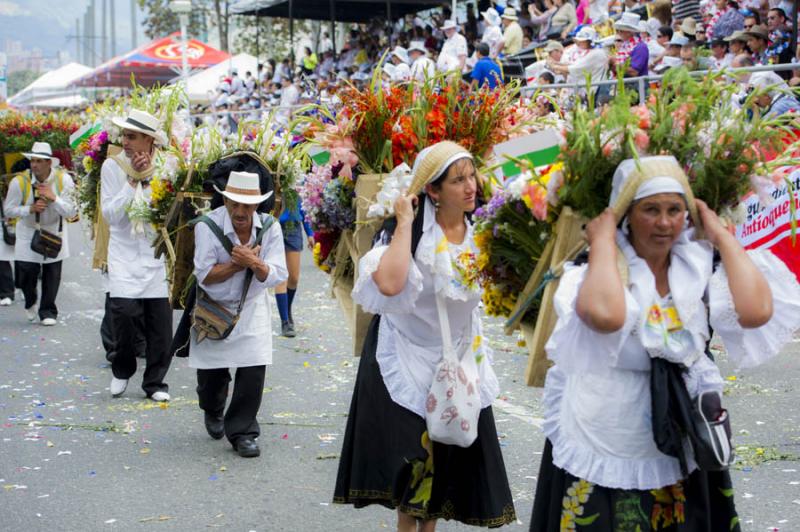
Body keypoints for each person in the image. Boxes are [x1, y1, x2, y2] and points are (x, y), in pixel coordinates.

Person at [529, 155, 800, 531]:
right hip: (606, 436)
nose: (664, 222)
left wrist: (720, 234)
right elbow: (606, 316)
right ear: (626, 214)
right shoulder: (597, 270)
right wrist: (605, 238)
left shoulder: (698, 266)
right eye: (650, 209)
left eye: (675, 209)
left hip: (680, 440)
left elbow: (756, 311)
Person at [333, 141, 516, 530]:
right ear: (432, 191)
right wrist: (402, 221)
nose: (470, 187)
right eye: (457, 180)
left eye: (471, 177)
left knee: (446, 457)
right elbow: (390, 283)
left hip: (459, 359)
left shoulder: (483, 228)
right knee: (413, 464)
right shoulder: (410, 232)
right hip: (406, 353)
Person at [190, 171, 287, 458]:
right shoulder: (207, 227)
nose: (240, 211)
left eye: (247, 205)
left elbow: (278, 273)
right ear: (225, 200)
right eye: (234, 203)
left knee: (253, 368)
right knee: (212, 378)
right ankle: (212, 407)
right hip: (213, 308)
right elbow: (204, 275)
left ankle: (243, 431)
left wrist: (254, 262)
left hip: (251, 307)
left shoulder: (270, 228)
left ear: (257, 206)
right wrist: (236, 264)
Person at [101, 109, 173, 402]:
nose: (126, 142)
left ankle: (155, 383)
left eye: (131, 137)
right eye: (124, 136)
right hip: (123, 254)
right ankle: (122, 368)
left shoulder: (168, 166)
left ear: (149, 140)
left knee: (160, 328)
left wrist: (151, 178)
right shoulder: (112, 166)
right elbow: (110, 217)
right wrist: (133, 182)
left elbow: (171, 213)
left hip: (155, 255)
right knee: (125, 318)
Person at [3, 142, 76, 325]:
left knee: (52, 274)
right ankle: (30, 301)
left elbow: (72, 212)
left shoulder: (63, 180)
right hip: (28, 233)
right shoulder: (19, 182)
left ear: (49, 163)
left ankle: (48, 312)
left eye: (39, 161)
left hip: (54, 233)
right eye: (32, 160)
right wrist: (30, 209)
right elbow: (9, 210)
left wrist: (54, 198)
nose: (34, 165)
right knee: (27, 274)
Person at [274, 197, 314, 338]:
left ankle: (287, 308)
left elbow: (304, 206)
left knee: (294, 278)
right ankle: (285, 321)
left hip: (293, 228)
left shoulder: (298, 180)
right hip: (275, 225)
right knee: (281, 276)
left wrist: (309, 233)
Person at [611, 12, 649, 77]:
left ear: (629, 32)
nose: (619, 32)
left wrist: (615, 63)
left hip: (637, 85)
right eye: (618, 30)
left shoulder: (640, 47)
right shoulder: (624, 46)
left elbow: (634, 72)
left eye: (621, 30)